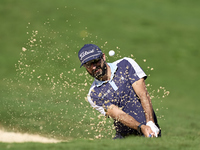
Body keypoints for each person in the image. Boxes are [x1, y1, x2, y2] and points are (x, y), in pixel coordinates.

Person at [78, 44, 161, 139]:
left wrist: (150, 123)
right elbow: (118, 114)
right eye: (88, 65)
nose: (93, 67)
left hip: (151, 130)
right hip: (125, 137)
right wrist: (141, 128)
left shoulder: (125, 64)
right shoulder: (93, 94)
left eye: (95, 61)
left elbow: (143, 94)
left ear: (103, 57)